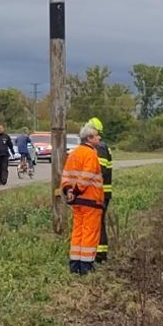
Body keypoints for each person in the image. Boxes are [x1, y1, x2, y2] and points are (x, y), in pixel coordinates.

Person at [60, 123, 106, 275]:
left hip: (76, 201)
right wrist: (78, 191)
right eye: (96, 135)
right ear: (89, 138)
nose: (99, 137)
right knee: (89, 233)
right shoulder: (91, 154)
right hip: (90, 200)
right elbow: (87, 176)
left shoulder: (73, 153)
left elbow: (66, 175)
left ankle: (74, 265)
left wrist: (69, 191)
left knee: (77, 232)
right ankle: (86, 267)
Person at [87, 116, 114, 263]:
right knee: (97, 222)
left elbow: (100, 170)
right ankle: (99, 253)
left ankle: (100, 255)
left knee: (98, 223)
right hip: (100, 192)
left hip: (100, 193)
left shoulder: (100, 148)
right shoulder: (99, 147)